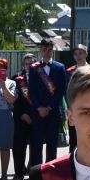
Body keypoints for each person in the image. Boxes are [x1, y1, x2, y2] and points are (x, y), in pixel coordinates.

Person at [24, 39, 68, 169]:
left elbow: (60, 91)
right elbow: (31, 90)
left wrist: (49, 107)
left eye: (49, 50)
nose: (47, 53)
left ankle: (50, 174)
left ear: (52, 50)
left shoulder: (60, 67)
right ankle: (37, 175)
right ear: (40, 51)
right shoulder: (34, 68)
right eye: (44, 50)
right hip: (37, 113)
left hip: (52, 112)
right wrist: (39, 107)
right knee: (36, 145)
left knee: (52, 145)